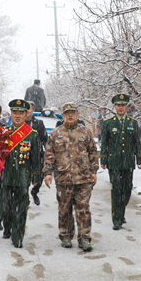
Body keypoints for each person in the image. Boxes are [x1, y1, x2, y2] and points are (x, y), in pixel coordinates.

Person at [43, 102, 99, 251]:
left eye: (73, 112)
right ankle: (66, 236)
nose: (70, 115)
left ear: (77, 114)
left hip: (83, 178)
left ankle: (84, 238)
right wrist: (48, 173)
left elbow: (93, 152)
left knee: (83, 209)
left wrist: (94, 171)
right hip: (63, 178)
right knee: (64, 209)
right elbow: (49, 154)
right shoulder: (55, 133)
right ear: (63, 115)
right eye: (67, 113)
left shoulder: (85, 132)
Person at [0, 99, 41, 248]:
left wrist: (36, 176)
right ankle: (8, 227)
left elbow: (36, 157)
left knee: (21, 208)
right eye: (14, 112)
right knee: (5, 207)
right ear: (11, 113)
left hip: (23, 176)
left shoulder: (32, 134)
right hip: (5, 176)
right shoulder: (3, 132)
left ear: (26, 114)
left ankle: (18, 236)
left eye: (21, 113)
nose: (17, 116)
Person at [100, 93, 141, 230]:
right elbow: (104, 143)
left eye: (123, 105)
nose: (121, 108)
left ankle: (121, 210)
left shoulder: (133, 123)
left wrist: (139, 158)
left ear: (127, 106)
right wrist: (103, 159)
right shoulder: (108, 123)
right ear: (115, 106)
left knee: (127, 189)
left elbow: (137, 143)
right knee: (117, 190)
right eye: (118, 105)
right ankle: (117, 219)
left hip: (128, 161)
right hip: (114, 162)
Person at [26, 103, 48, 206]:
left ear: (33, 109)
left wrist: (48, 152)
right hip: (24, 155)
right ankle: (25, 199)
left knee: (40, 177)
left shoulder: (39, 123)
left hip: (38, 155)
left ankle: (34, 192)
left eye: (28, 109)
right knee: (24, 178)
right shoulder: (20, 123)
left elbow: (45, 139)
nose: (26, 111)